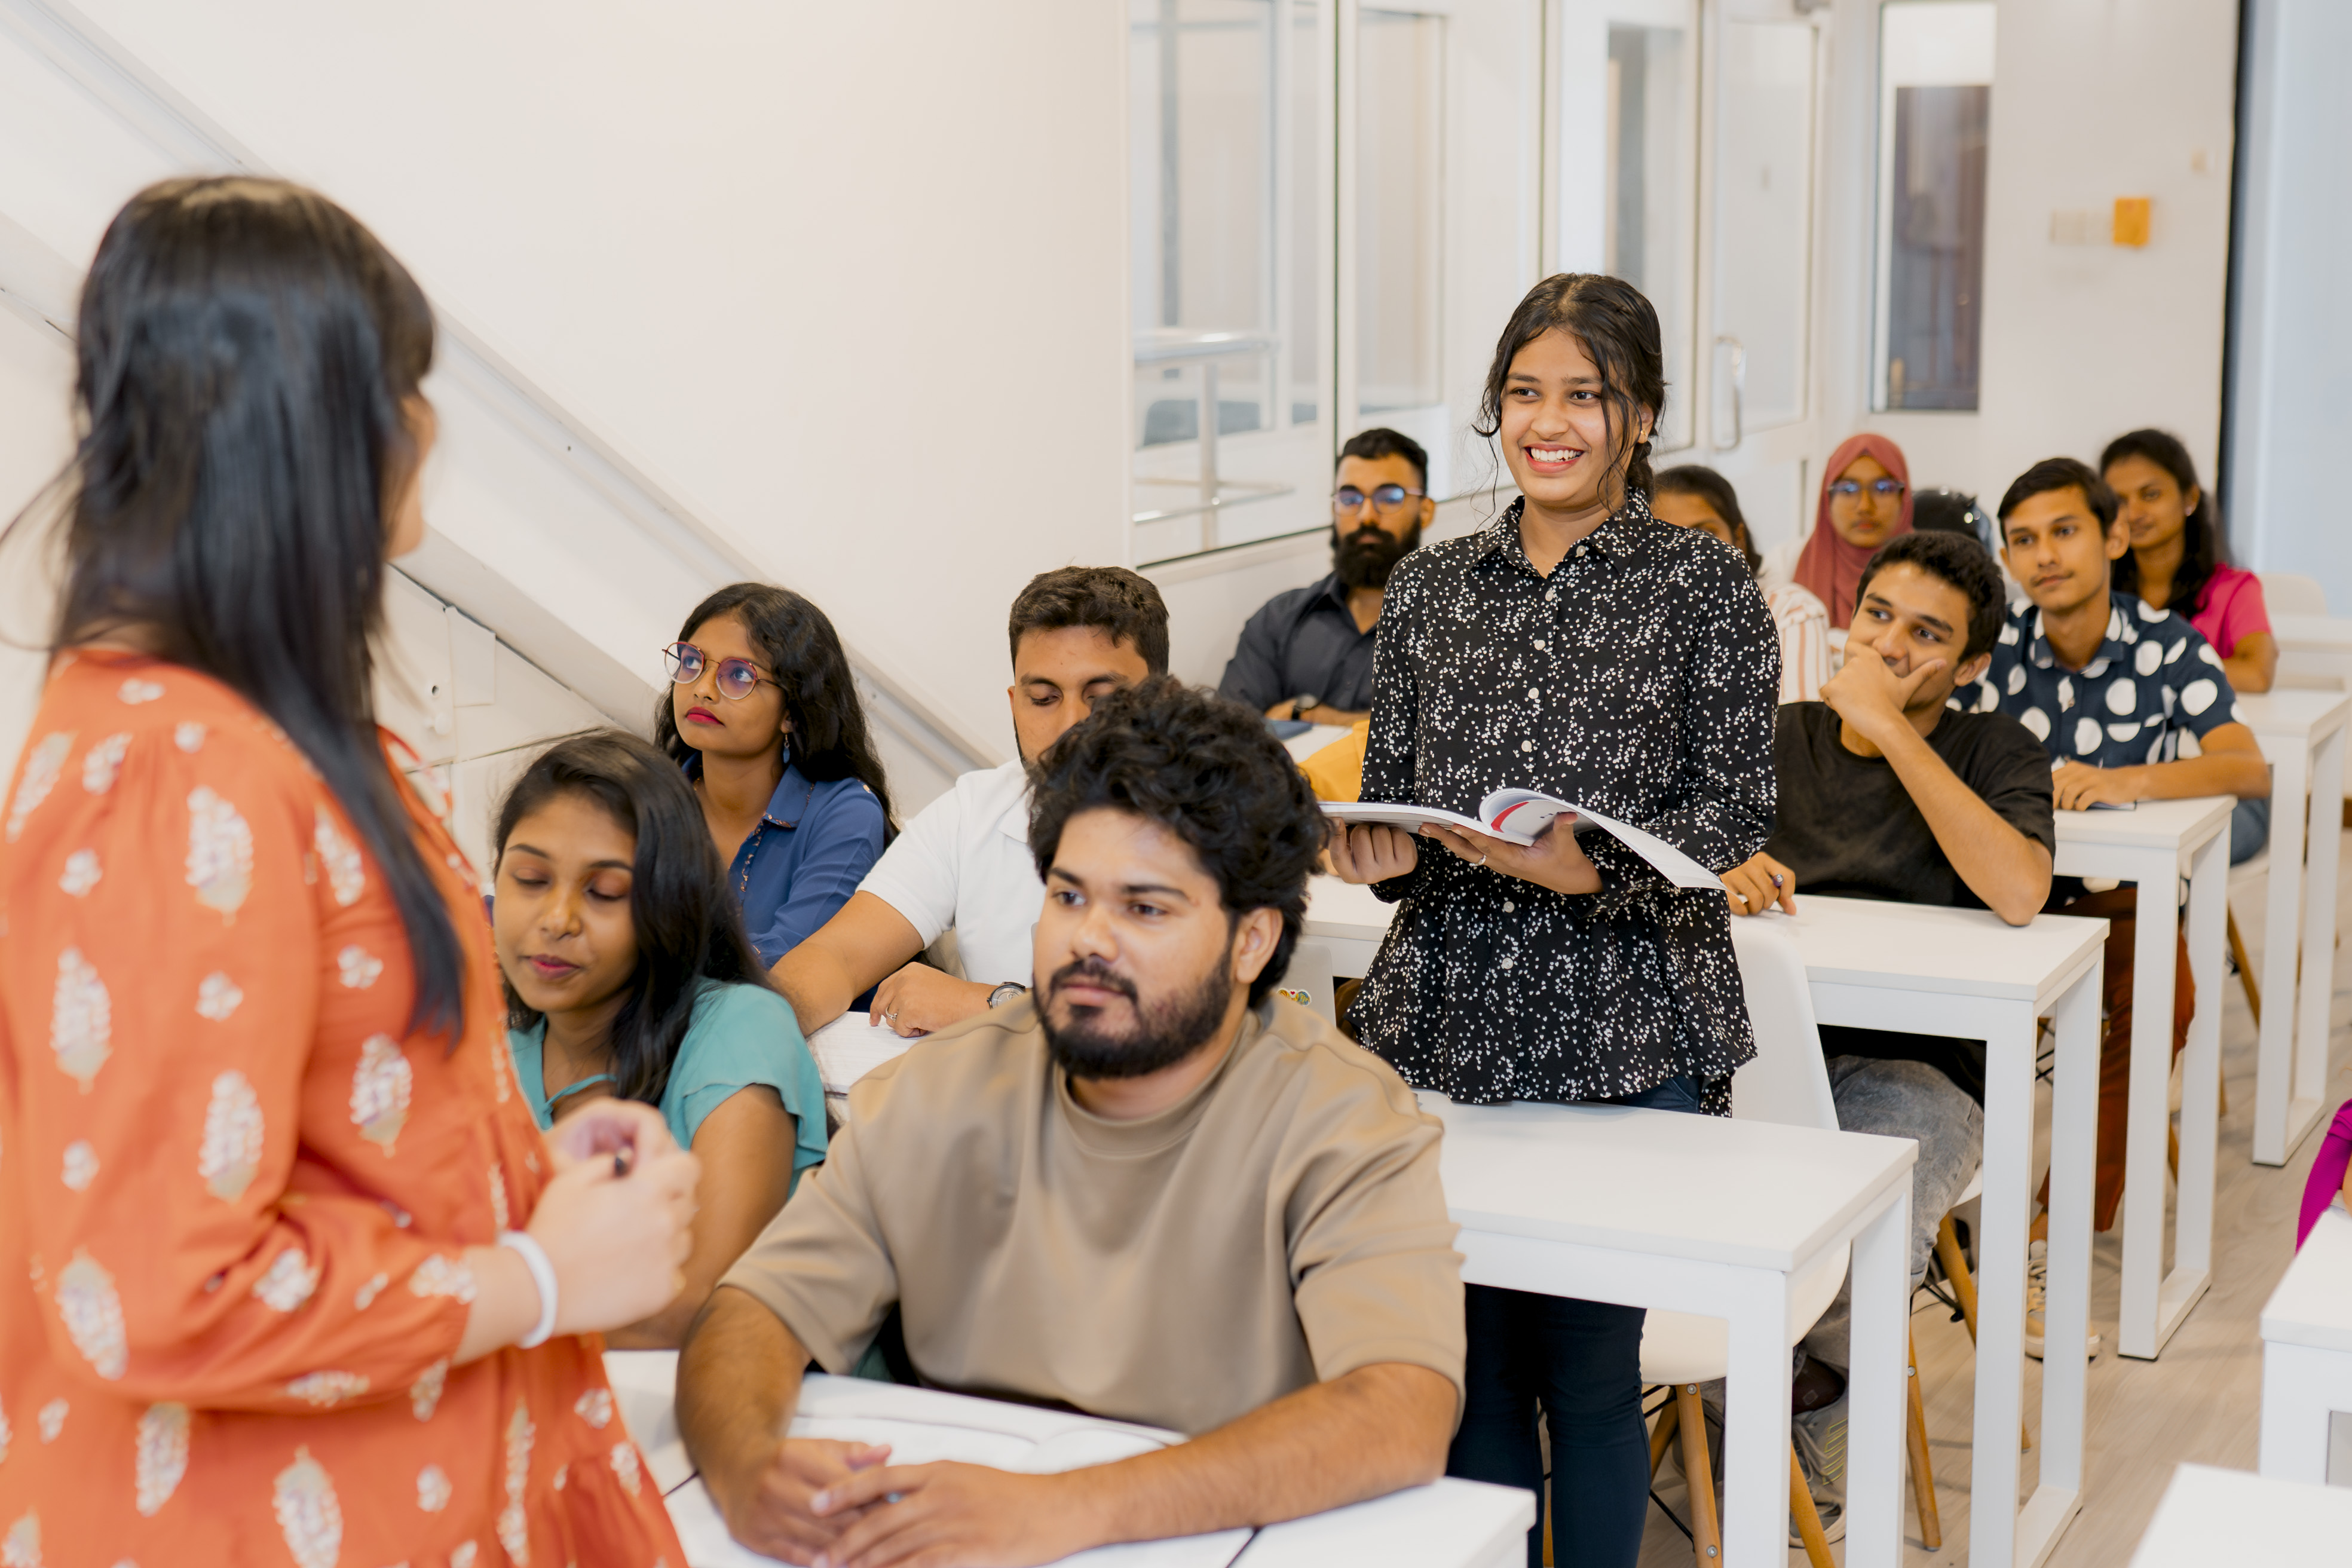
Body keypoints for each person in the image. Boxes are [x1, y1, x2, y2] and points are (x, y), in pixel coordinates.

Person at [0, 176, 697, 1564]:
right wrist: (540, 1272)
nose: (425, 428)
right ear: (308, 434)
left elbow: (302, 1125)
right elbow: (156, 1288)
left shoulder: (252, 729)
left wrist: (508, 1175)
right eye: (401, 389)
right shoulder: (177, 768)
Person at [676, 677, 1465, 1566]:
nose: (1090, 939)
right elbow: (752, 1311)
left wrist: (1060, 1511)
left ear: (1251, 941)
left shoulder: (1342, 1119)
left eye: (1145, 907)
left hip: (1213, 1537)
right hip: (953, 1527)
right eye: (1069, 896)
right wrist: (744, 1467)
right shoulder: (941, 1088)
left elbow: (1401, 1411)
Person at [1326, 272, 1778, 1567]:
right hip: (1448, 1018)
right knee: (1465, 1365)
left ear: (1640, 416)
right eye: (1526, 393)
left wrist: (1591, 876)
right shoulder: (1430, 587)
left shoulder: (1702, 585)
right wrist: (1380, 853)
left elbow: (1734, 813)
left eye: (1586, 394)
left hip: (1630, 1026)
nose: (1552, 421)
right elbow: (1403, 793)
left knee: (1587, 1369)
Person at [1725, 532, 2053, 1419]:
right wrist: (1724, 873)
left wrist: (1890, 730)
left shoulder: (1997, 750)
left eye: (1926, 634)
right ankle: (1753, 1406)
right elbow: (1679, 861)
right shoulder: (1777, 735)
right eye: (1876, 616)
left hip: (1924, 1073)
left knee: (1861, 1240)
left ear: (1973, 663)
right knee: (1681, 1213)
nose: (1888, 647)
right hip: (1756, 1055)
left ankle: (1807, 1440)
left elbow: (2021, 891)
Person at [1968, 457, 2270, 1267]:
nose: (2045, 557)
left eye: (2065, 532)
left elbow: (2247, 768)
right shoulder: (1991, 649)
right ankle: (1945, 1215)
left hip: (2120, 901)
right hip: (2000, 899)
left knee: (2163, 1005)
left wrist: (2126, 781)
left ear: (2113, 536)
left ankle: (2050, 1231)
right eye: (2023, 541)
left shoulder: (2169, 647)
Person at [494, 731, 828, 1348]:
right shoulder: (490, 1057)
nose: (557, 918)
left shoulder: (739, 1028)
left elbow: (697, 1305)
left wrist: (486, 1319)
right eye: (531, 879)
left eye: (604, 892)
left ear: (668, 905)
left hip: (779, 1413)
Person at [775, 566, 1168, 1039]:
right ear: (1015, 704)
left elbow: (1178, 1022)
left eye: (1102, 698)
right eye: (1043, 698)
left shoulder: (1221, 816)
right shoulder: (973, 811)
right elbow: (834, 959)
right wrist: (742, 1038)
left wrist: (991, 1006)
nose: (1071, 724)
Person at [657, 583, 895, 966]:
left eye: (739, 676)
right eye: (692, 662)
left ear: (793, 713)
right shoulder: (646, 800)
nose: (701, 689)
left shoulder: (846, 814)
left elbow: (786, 964)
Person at [2103, 428, 2275, 862]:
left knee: (2142, 858)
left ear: (2190, 498)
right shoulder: (2099, 598)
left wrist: (2162, 667)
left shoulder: (2233, 589)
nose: (2134, 512)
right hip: (2126, 779)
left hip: (2222, 789)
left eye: (2150, 494)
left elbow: (2257, 672)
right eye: (2118, 500)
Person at [1219, 427, 1437, 727]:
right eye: (1350, 498)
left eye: (1389, 497)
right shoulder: (1277, 622)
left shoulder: (1459, 627)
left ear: (1425, 511)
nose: (1366, 516)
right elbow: (1228, 736)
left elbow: (1454, 738)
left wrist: (1315, 717)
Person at [1655, 463, 1833, 702]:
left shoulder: (1789, 611)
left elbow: (1797, 732)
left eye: (1705, 535)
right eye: (1668, 540)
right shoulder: (1634, 621)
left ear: (1738, 539)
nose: (1690, 554)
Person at [1761, 434, 1916, 633]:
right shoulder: (1783, 566)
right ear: (1827, 499)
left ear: (1904, 497)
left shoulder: (1931, 571)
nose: (1864, 506)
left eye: (1883, 489)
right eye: (1848, 489)